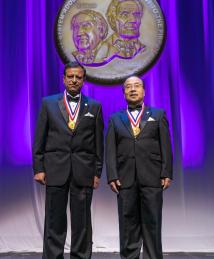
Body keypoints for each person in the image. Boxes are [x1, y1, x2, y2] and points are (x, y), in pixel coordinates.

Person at [33, 61, 104, 259]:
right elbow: (40, 138)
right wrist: (39, 168)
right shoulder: (48, 103)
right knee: (54, 220)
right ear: (64, 79)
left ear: (84, 80)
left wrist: (97, 172)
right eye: (70, 76)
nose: (74, 80)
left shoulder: (95, 107)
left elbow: (99, 144)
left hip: (84, 172)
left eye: (78, 77)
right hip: (55, 170)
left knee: (82, 221)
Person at [106, 76, 173, 259]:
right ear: (124, 92)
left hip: (152, 177)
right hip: (125, 179)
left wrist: (166, 172)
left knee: (152, 224)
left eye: (137, 86)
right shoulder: (115, 118)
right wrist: (112, 175)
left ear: (144, 91)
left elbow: (165, 145)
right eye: (128, 87)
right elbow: (110, 149)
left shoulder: (158, 115)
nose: (133, 89)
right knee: (128, 226)